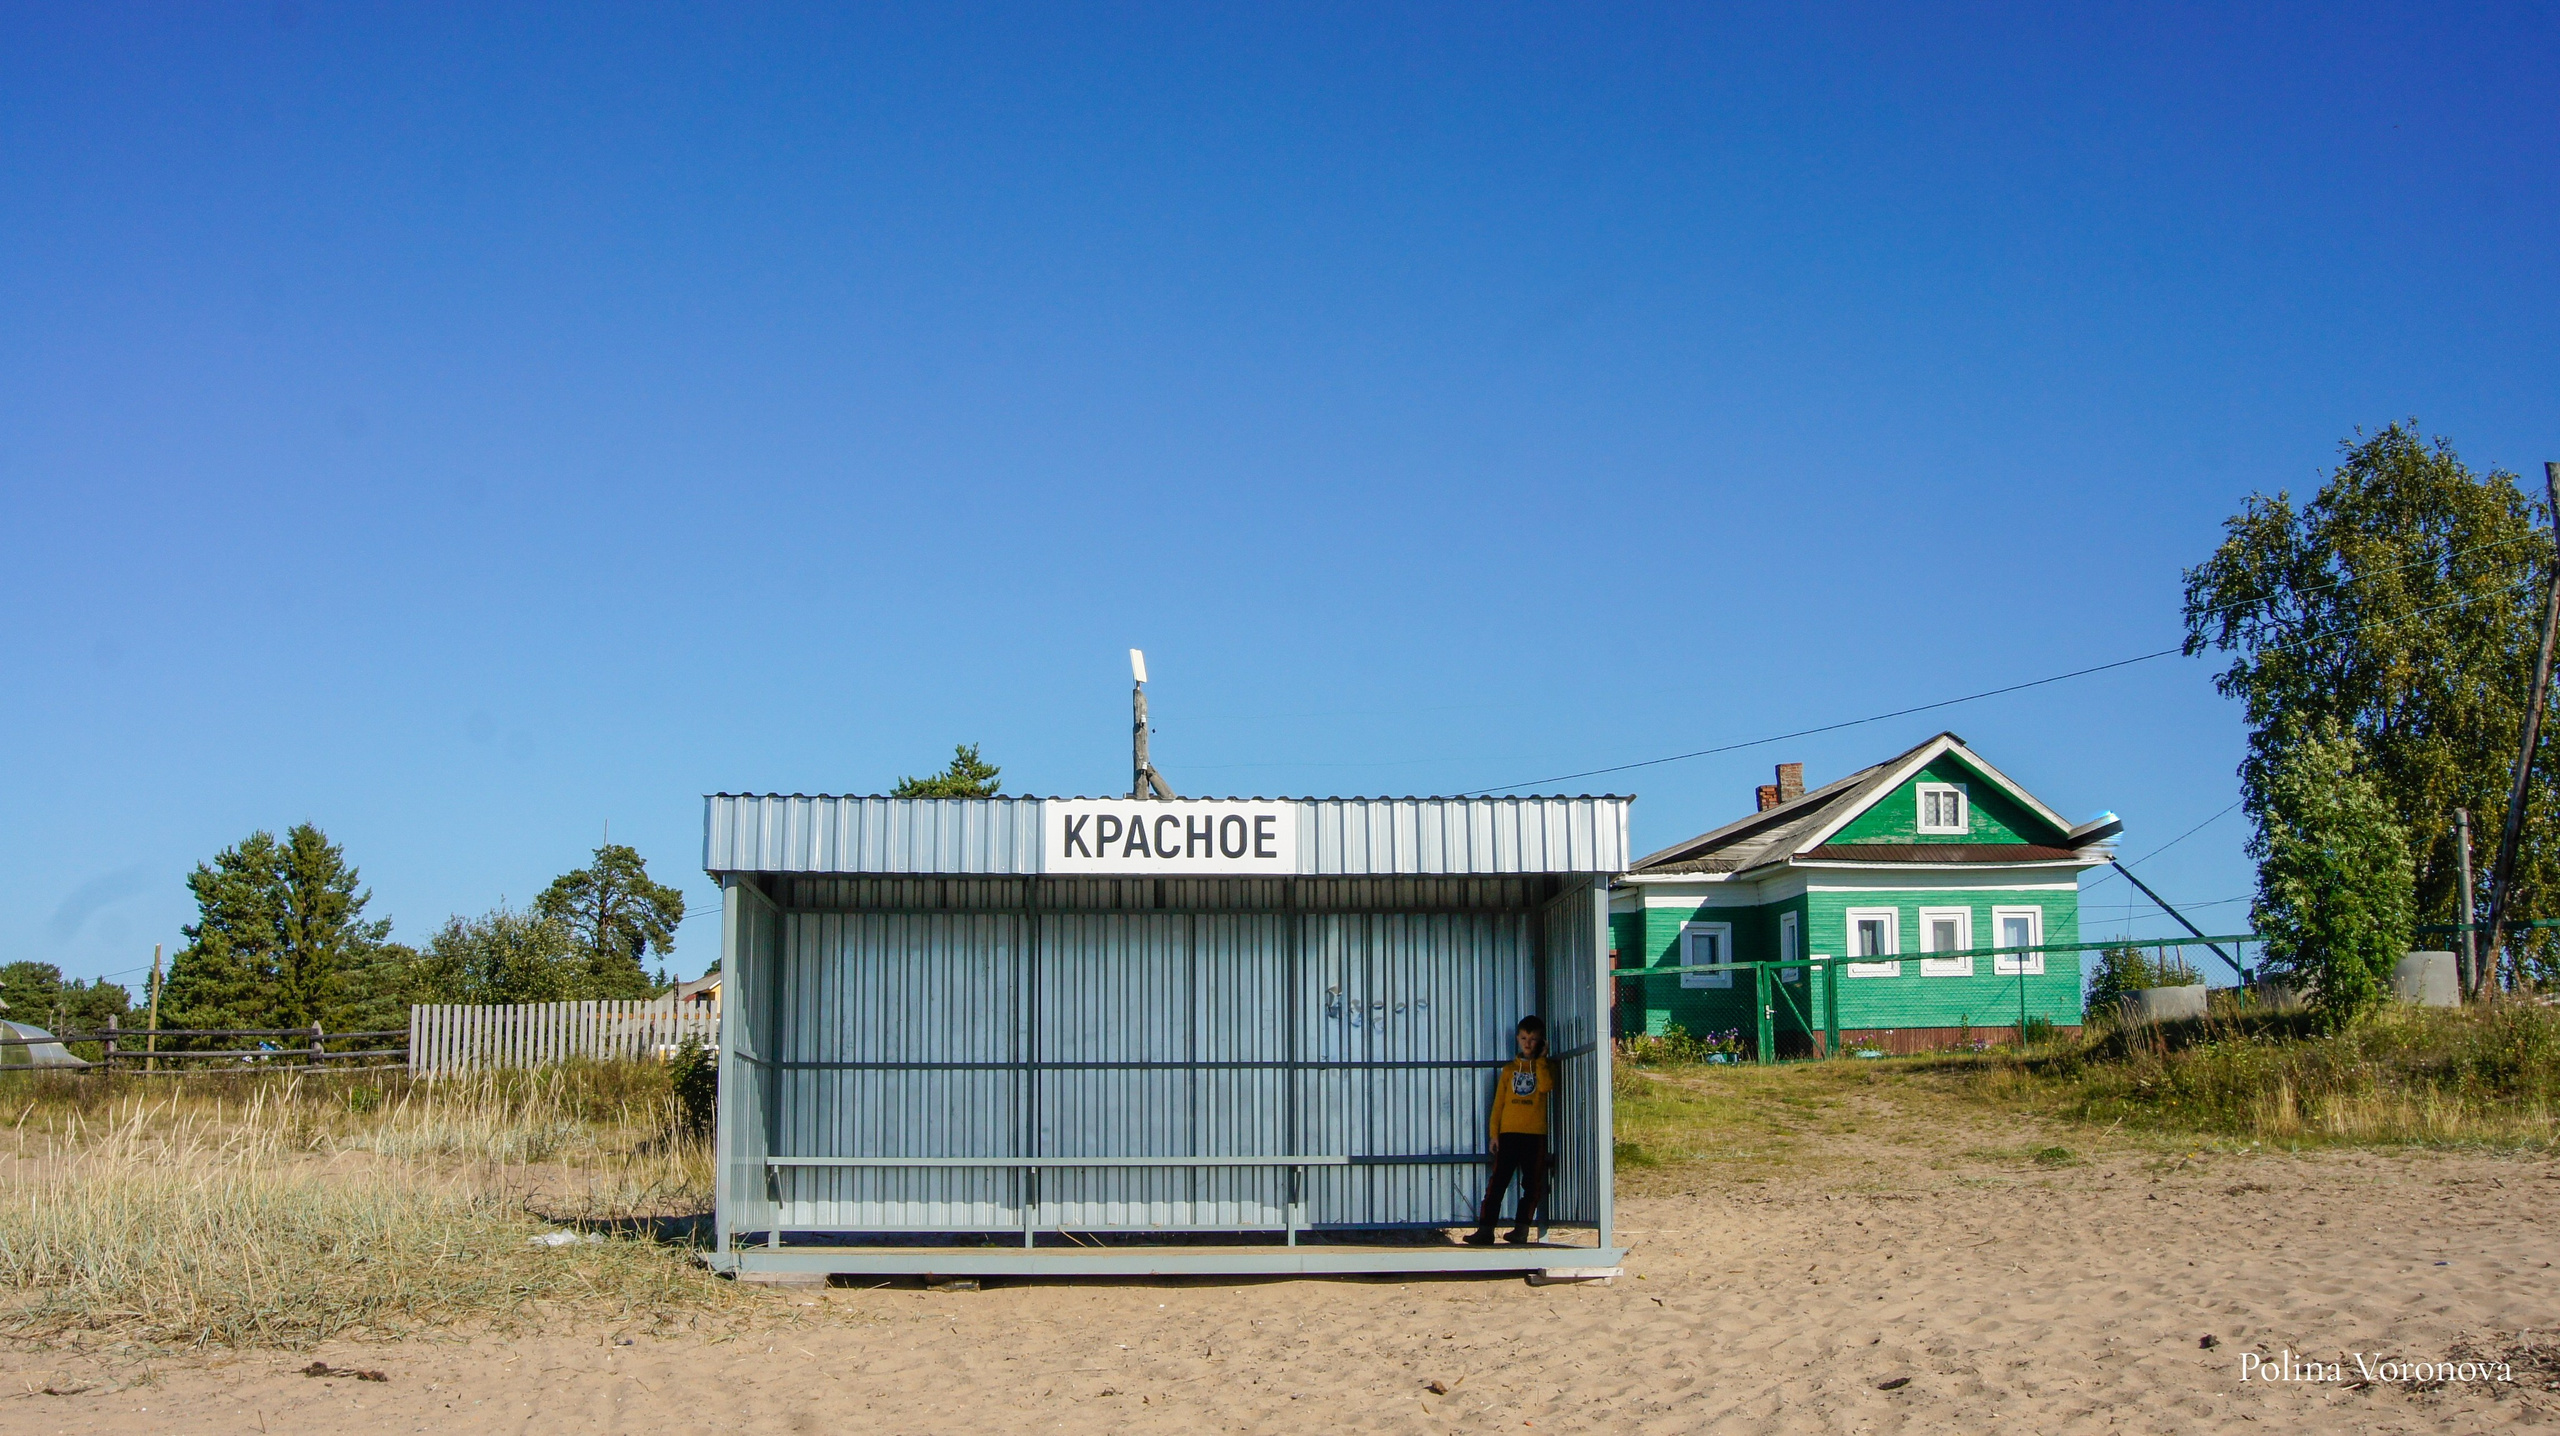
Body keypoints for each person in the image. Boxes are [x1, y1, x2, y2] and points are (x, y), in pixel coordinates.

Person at [1467, 1014, 1553, 1246]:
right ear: (1517, 1038)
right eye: (1524, 1038)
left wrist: (1542, 1060)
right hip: (1509, 1134)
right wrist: (1494, 1134)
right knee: (1498, 1183)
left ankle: (1521, 1230)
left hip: (1535, 1135)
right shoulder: (1508, 1070)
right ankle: (1485, 1230)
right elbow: (1498, 1105)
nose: (1528, 1043)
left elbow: (1546, 1087)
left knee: (1531, 1184)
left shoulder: (1543, 1068)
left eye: (1533, 1039)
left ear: (1541, 1042)